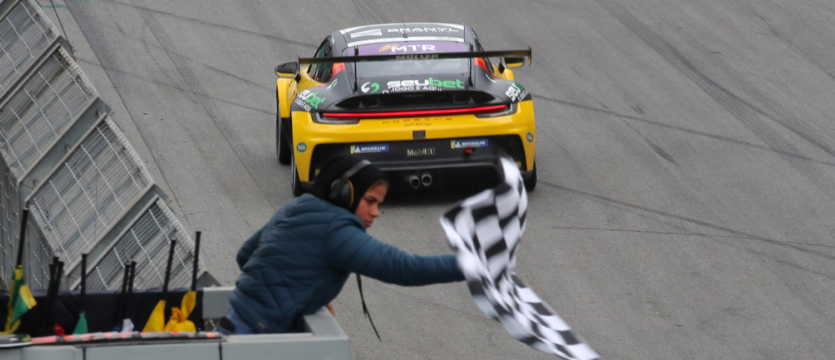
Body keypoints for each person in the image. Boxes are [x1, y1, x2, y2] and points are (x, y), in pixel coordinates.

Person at [219, 155, 465, 335]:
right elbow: (406, 268)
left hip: (232, 325)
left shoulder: (299, 205)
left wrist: (306, 295)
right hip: (257, 339)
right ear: (343, 193)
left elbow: (245, 256)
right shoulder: (337, 231)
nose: (376, 212)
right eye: (369, 201)